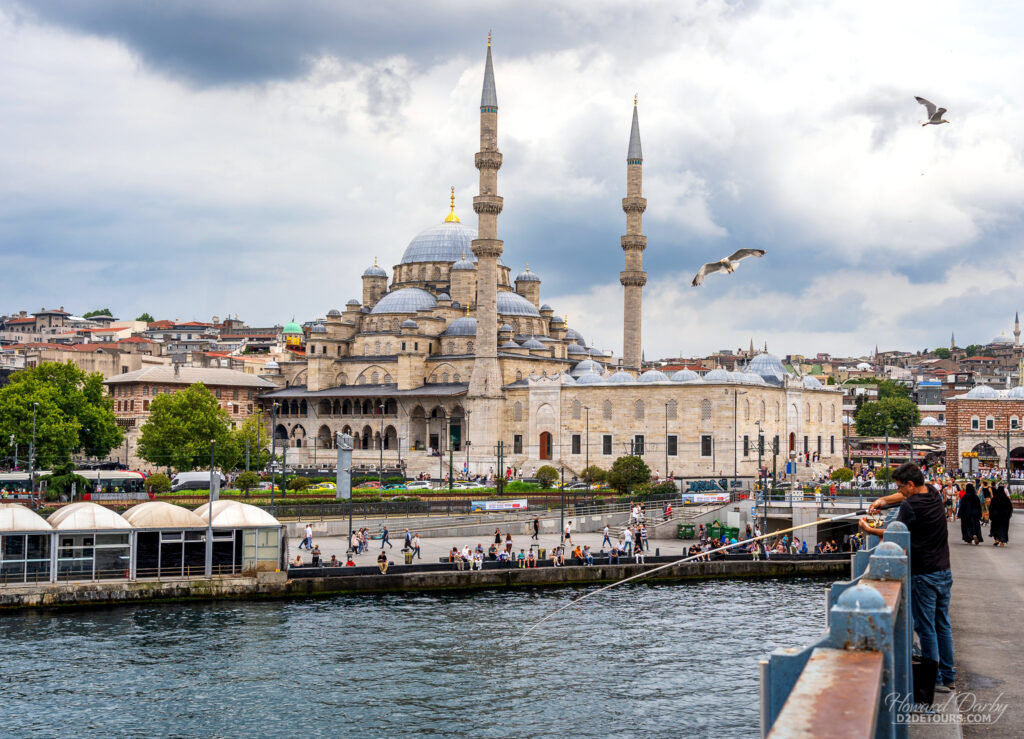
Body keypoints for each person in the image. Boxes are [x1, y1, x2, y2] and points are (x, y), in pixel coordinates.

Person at [862, 462, 954, 691]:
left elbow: (894, 534)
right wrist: (883, 501)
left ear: (910, 485)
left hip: (924, 574)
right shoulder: (933, 491)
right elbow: (901, 498)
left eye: (901, 488)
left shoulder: (911, 506)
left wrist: (870, 530)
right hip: (944, 570)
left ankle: (934, 680)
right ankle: (948, 674)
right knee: (942, 624)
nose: (900, 492)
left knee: (926, 628)